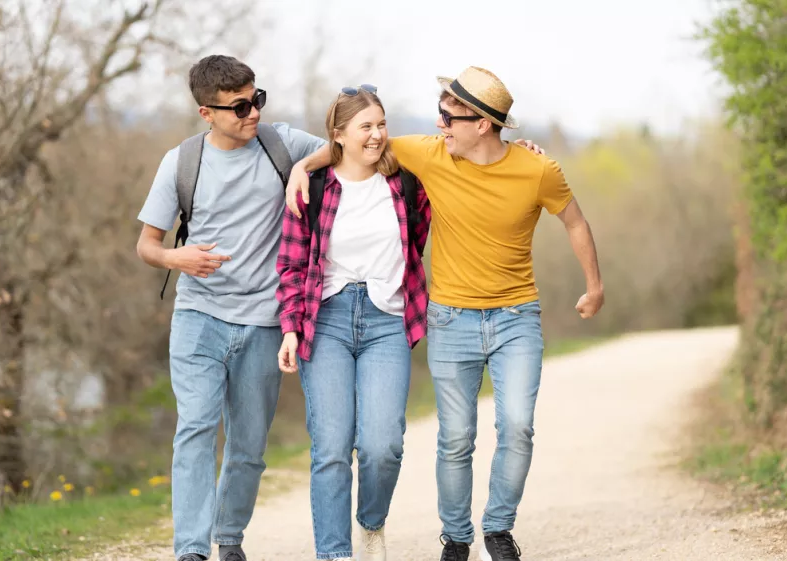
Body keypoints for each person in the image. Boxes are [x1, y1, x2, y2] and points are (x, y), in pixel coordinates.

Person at [286, 66, 605, 561]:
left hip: (480, 317)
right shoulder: (416, 158)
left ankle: (490, 528)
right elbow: (348, 150)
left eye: (448, 116)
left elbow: (574, 219)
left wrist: (594, 286)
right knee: (428, 440)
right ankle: (432, 540)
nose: (439, 124)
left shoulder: (517, 170)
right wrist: (300, 167)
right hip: (416, 319)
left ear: (481, 124)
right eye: (438, 115)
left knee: (498, 428)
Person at [135, 54, 326, 561]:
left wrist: (305, 167)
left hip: (265, 322)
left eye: (256, 99)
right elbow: (147, 245)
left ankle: (229, 539)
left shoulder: (282, 144)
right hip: (199, 317)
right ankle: (191, 550)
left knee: (247, 448)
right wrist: (178, 256)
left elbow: (351, 147)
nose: (253, 113)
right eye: (239, 107)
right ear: (207, 113)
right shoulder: (182, 162)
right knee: (195, 429)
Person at [275, 84, 431, 561]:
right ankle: (335, 554)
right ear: (338, 135)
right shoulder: (314, 189)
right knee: (331, 449)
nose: (377, 135)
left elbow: (419, 240)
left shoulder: (406, 184)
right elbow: (291, 264)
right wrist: (289, 327)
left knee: (383, 444)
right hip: (327, 321)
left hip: (387, 319)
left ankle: (371, 522)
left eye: (382, 124)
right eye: (366, 126)